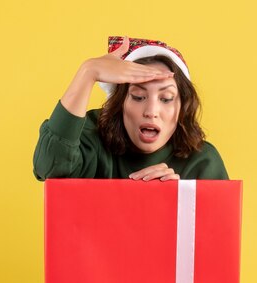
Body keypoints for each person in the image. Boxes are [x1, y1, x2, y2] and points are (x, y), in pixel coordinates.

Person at [33, 36, 229, 181]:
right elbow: (48, 167)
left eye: (166, 98)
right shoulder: (92, 138)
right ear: (120, 103)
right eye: (138, 96)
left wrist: (177, 200)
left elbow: (218, 234)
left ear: (182, 108)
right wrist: (88, 72)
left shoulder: (203, 162)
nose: (151, 111)